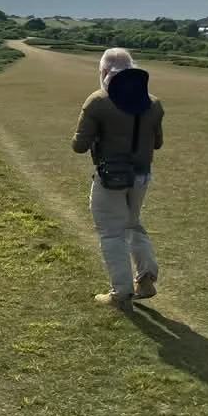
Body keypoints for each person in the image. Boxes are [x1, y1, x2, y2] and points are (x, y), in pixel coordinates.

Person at [71, 48, 165, 314]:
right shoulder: (153, 102)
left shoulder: (98, 101)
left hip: (110, 177)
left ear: (103, 72)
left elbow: (79, 145)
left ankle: (122, 293)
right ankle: (146, 279)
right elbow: (157, 142)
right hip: (142, 175)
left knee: (111, 232)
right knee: (133, 224)